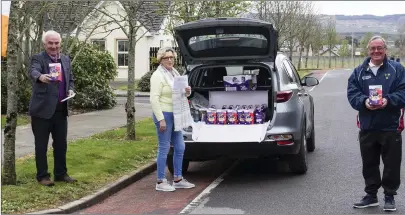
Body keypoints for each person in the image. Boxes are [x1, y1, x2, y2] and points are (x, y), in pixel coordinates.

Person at [347, 36, 405, 211]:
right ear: (368, 50)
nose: (376, 51)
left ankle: (389, 196)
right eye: (373, 48)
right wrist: (364, 102)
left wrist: (388, 101)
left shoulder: (397, 70)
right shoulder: (359, 71)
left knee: (392, 164)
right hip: (367, 126)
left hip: (391, 125)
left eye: (380, 48)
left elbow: (403, 92)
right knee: (369, 163)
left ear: (385, 49)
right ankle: (371, 196)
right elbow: (352, 93)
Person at [29, 30, 77, 186]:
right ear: (44, 44)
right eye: (50, 43)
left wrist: (70, 89)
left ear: (60, 43)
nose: (54, 46)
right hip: (42, 111)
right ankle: (43, 176)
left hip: (61, 110)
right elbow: (33, 71)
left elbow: (71, 79)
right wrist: (41, 77)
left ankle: (61, 174)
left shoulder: (65, 59)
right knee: (41, 145)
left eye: (56, 43)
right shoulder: (38, 58)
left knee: (61, 144)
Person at [149, 47, 195, 192]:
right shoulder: (158, 76)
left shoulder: (174, 73)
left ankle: (178, 178)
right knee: (164, 147)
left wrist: (187, 92)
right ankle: (160, 181)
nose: (170, 60)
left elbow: (181, 94)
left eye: (172, 57)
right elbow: (154, 99)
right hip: (164, 114)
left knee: (180, 146)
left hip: (175, 114)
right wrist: (161, 119)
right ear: (160, 60)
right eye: (166, 58)